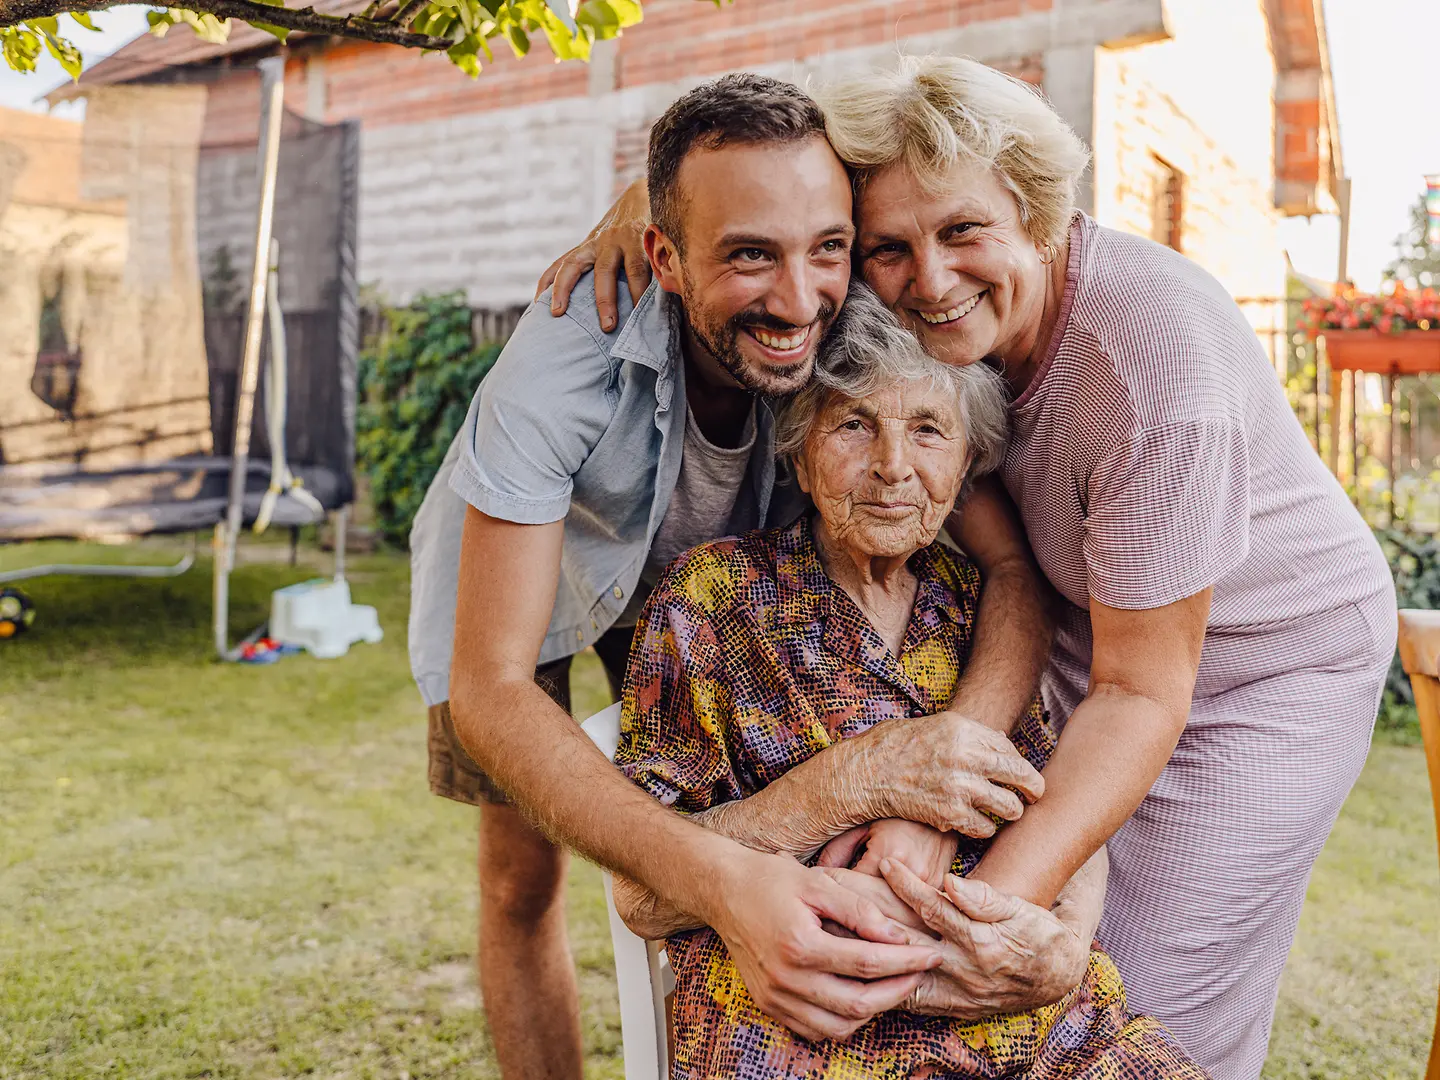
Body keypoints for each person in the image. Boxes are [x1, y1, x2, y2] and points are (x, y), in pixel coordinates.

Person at [544, 56, 1397, 1080]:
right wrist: (636, 215)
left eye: (963, 233)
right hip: (1104, 619)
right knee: (1046, 943)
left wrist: (984, 911)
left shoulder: (1155, 372)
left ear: (1034, 213)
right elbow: (749, 156)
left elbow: (1138, 693)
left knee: (1131, 983)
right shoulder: (931, 327)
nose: (930, 280)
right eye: (891, 248)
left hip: (1265, 662)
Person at [408, 72, 1076, 1079]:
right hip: (532, 583)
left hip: (705, 585)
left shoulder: (837, 314)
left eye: (826, 250)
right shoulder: (559, 366)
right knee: (519, 879)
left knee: (753, 812)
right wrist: (721, 881)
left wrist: (943, 761)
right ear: (664, 259)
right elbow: (488, 691)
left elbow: (1006, 562)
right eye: (749, 256)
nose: (798, 296)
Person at [611, 285, 1207, 1079]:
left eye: (928, 431)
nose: (894, 467)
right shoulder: (711, 601)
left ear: (965, 467)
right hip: (810, 1024)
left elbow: (1058, 804)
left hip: (1024, 1022)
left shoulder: (975, 614)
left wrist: (1064, 945)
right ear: (799, 448)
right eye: (855, 424)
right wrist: (848, 787)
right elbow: (642, 893)